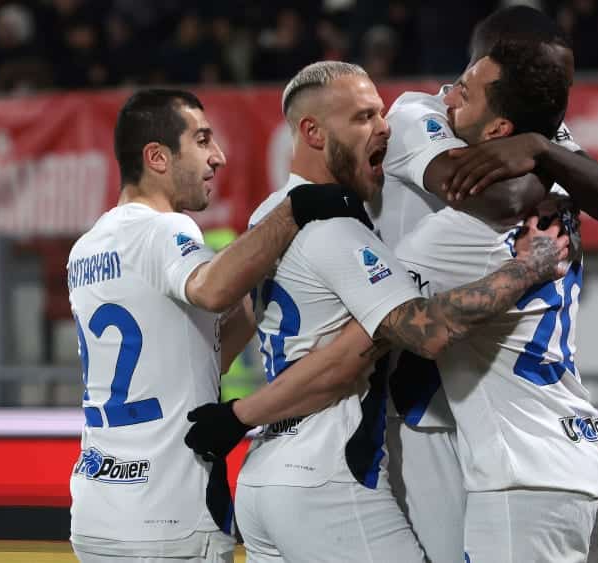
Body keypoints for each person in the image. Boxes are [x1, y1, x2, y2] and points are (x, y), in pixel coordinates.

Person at [187, 61, 570, 563]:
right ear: (313, 132)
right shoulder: (337, 231)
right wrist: (528, 268)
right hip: (328, 480)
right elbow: (427, 331)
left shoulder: (270, 216)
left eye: (382, 114)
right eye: (364, 117)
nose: (385, 128)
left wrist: (237, 416)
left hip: (265, 476)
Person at [67, 88, 377, 563]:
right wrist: (294, 211)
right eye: (202, 140)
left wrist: (268, 281)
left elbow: (198, 354)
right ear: (157, 157)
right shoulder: (164, 229)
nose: (218, 156)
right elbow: (211, 289)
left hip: (98, 508)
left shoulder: (88, 247)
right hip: (167, 517)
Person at [375, 7, 598, 562]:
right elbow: (503, 197)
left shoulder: (455, 233)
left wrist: (538, 149)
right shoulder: (420, 113)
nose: (561, 91)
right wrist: (544, 155)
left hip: (509, 447)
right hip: (556, 442)